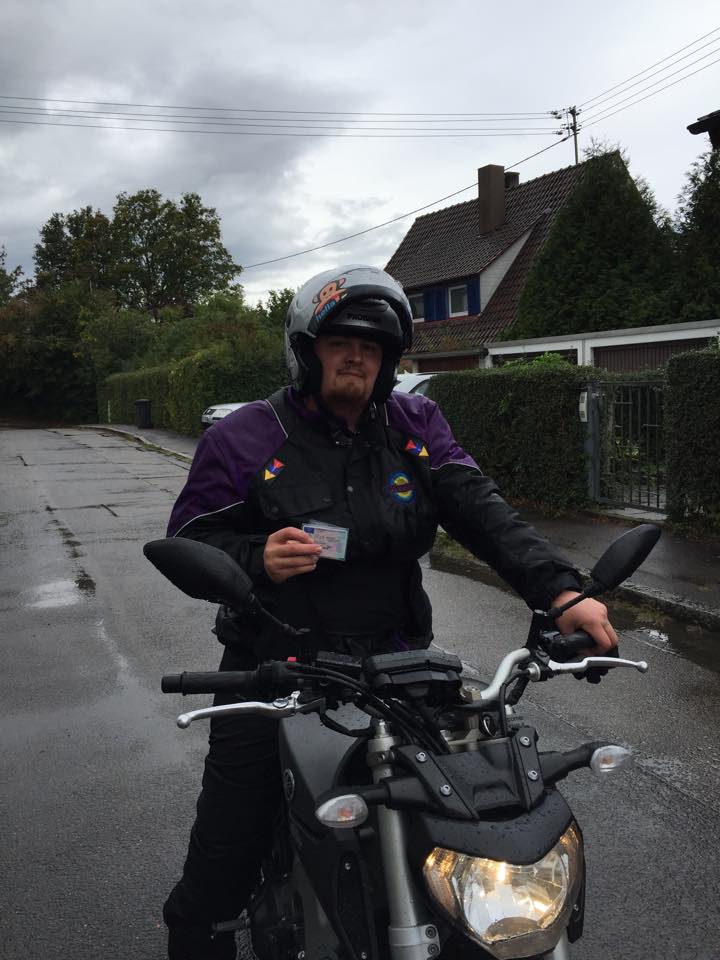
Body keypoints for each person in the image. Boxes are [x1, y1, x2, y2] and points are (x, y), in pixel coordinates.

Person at [162, 264, 617, 958]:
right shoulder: (246, 437)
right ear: (306, 351)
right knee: (228, 842)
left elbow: (481, 509)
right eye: (340, 342)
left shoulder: (415, 424)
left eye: (371, 347)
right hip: (280, 665)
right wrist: (255, 558)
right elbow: (190, 541)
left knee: (463, 808)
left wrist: (561, 593)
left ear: (389, 360)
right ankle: (200, 935)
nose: (356, 357)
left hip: (398, 666)